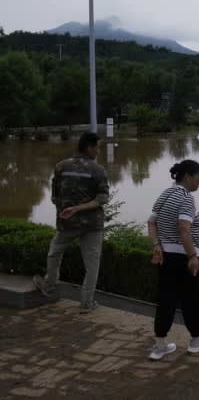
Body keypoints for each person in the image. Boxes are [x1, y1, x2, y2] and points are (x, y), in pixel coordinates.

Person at [146, 160, 199, 360]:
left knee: (166, 300)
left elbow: (151, 222)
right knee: (192, 300)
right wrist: (192, 256)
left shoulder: (165, 194)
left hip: (166, 256)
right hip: (183, 257)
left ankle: (160, 346)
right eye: (198, 176)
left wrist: (157, 245)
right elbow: (184, 229)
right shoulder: (186, 198)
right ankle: (197, 341)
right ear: (188, 176)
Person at [33, 132, 110, 314]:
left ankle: (50, 284)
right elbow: (102, 199)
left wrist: (69, 210)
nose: (98, 151)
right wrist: (81, 208)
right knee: (92, 264)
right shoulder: (98, 170)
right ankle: (86, 303)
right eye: (97, 147)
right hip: (93, 225)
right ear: (89, 147)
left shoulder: (61, 166)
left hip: (68, 223)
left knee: (54, 252)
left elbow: (54, 195)